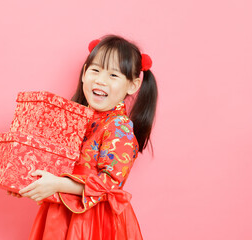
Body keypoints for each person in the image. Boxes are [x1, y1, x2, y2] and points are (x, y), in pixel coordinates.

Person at [9, 35, 158, 239]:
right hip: (59, 213)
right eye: (95, 70)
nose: (100, 80)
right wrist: (27, 182)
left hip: (94, 222)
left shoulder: (118, 126)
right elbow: (55, 164)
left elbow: (109, 184)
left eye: (113, 75)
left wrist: (57, 185)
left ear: (132, 85)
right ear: (83, 73)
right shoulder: (73, 120)